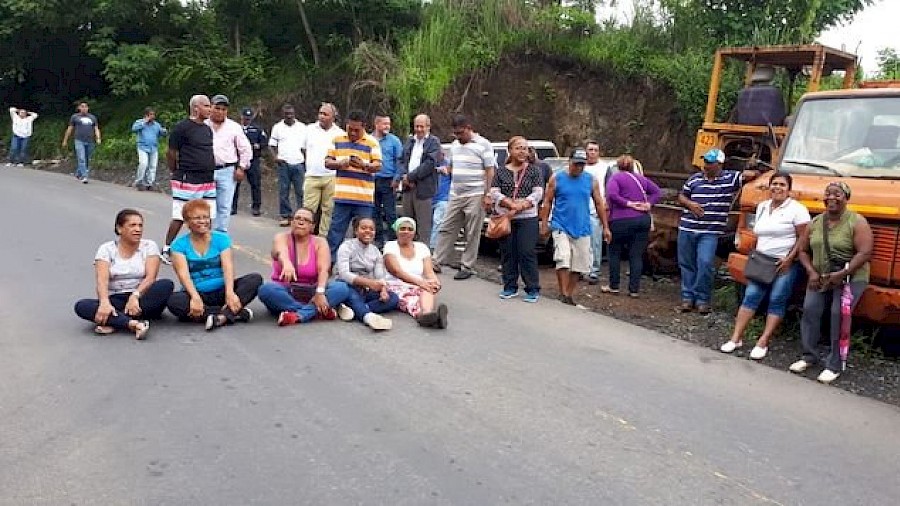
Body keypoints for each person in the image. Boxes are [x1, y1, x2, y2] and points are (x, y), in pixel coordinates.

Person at [720, 173, 810, 359]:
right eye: (774, 184)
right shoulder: (762, 207)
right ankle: (736, 338)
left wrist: (789, 259)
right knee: (751, 296)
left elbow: (804, 237)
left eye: (782, 184)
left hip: (784, 263)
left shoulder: (797, 210)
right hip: (762, 261)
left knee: (777, 299)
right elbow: (758, 233)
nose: (777, 187)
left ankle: (763, 340)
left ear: (789, 189)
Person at [790, 182, 872, 384]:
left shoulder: (857, 221)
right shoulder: (815, 222)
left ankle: (834, 363)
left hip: (850, 277)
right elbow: (802, 250)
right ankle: (809, 356)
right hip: (820, 275)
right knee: (810, 309)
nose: (831, 197)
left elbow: (865, 252)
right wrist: (811, 272)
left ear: (846, 198)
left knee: (838, 314)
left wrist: (842, 273)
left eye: (837, 194)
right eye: (828, 194)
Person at [677, 148, 760, 314]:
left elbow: (753, 174)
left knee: (705, 263)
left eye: (709, 162)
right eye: (705, 161)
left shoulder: (730, 178)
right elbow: (681, 196)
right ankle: (687, 298)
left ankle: (702, 299)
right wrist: (690, 204)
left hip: (709, 231)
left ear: (719, 164)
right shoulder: (695, 179)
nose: (705, 165)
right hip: (687, 227)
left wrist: (750, 167)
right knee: (687, 264)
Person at [74, 209, 174, 340]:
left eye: (140, 225)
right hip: (117, 298)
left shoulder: (149, 246)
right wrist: (104, 303)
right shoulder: (106, 249)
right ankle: (132, 324)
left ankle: (114, 321)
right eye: (132, 225)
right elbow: (101, 281)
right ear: (119, 228)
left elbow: (151, 277)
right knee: (82, 306)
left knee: (166, 285)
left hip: (143, 298)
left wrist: (135, 296)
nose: (138, 229)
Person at [166, 199, 263, 331]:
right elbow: (183, 275)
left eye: (206, 217)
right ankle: (234, 313)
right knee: (174, 302)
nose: (203, 221)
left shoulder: (221, 239)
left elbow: (228, 267)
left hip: (222, 290)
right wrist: (195, 297)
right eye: (197, 218)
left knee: (255, 279)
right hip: (197, 293)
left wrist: (230, 293)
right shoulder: (178, 245)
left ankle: (220, 316)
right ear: (187, 222)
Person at [257, 207, 352, 326]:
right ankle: (318, 311)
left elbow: (324, 270)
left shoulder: (320, 242)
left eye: (306, 220)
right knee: (266, 290)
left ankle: (297, 315)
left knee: (341, 288)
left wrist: (320, 292)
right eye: (297, 218)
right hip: (286, 292)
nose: (300, 222)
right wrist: (286, 263)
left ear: (312, 226)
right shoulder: (281, 237)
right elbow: (281, 251)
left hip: (313, 291)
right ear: (292, 222)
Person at [539, 148, 610, 306]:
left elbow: (599, 203)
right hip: (561, 224)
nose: (579, 167)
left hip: (582, 225)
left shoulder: (591, 180)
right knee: (563, 259)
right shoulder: (557, 178)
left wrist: (605, 226)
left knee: (579, 264)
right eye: (576, 164)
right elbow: (548, 201)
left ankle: (569, 294)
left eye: (582, 165)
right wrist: (544, 223)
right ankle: (563, 292)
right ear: (569, 162)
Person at [432, 114, 496, 280]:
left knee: (472, 230)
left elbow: (490, 170)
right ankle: (436, 260)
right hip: (456, 192)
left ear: (469, 128)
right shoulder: (454, 145)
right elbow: (452, 166)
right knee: (447, 226)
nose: (458, 137)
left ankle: (467, 265)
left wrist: (488, 194)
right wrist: (447, 171)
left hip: (475, 193)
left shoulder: (483, 144)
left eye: (461, 133)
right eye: (456, 134)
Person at [161, 95, 216, 265]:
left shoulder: (207, 129)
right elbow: (171, 152)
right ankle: (167, 248)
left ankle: (205, 249)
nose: (210, 109)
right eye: (206, 106)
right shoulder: (182, 128)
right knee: (180, 215)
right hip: (187, 179)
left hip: (207, 179)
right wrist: (175, 171)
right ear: (196, 108)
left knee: (207, 215)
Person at [490, 136, 544, 303]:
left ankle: (532, 288)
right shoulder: (500, 171)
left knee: (527, 252)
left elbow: (538, 193)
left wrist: (521, 206)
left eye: (525, 148)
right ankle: (509, 286)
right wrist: (507, 203)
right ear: (510, 150)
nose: (522, 151)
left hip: (528, 217)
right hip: (506, 217)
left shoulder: (534, 170)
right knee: (508, 253)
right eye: (518, 148)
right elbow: (494, 192)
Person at [325, 110, 383, 261]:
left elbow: (378, 166)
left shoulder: (372, 142)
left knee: (364, 234)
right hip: (342, 197)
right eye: (350, 128)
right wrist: (340, 163)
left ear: (364, 127)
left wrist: (364, 165)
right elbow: (327, 162)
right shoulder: (337, 139)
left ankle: (360, 266)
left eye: (356, 130)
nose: (352, 132)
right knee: (335, 232)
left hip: (363, 198)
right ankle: (328, 264)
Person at [604, 155, 661, 297]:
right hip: (642, 220)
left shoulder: (615, 178)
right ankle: (634, 289)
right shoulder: (641, 179)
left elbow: (611, 194)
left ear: (618, 167)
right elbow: (657, 192)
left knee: (614, 252)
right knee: (636, 255)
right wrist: (649, 203)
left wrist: (627, 203)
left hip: (620, 220)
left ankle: (614, 285)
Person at [383, 217, 448, 328]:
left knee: (428, 289)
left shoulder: (422, 247)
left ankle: (428, 314)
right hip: (395, 286)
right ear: (396, 231)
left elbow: (429, 272)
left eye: (410, 229)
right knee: (410, 300)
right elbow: (396, 271)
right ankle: (424, 316)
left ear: (414, 232)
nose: (406, 232)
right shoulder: (390, 246)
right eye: (402, 228)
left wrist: (435, 282)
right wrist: (420, 283)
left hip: (417, 285)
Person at [335, 217, 398, 330]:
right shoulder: (346, 246)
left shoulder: (376, 251)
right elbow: (344, 274)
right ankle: (368, 317)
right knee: (352, 295)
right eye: (363, 228)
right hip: (347, 286)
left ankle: (356, 309)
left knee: (393, 298)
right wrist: (369, 283)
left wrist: (383, 290)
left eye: (371, 229)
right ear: (356, 231)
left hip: (366, 289)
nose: (368, 231)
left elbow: (380, 276)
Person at [206, 94, 251, 233]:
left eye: (223, 109)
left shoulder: (234, 127)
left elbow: (245, 149)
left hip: (227, 170)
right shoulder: (203, 125)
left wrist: (241, 168)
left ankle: (220, 237)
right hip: (205, 171)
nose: (220, 112)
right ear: (210, 108)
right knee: (205, 205)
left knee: (224, 205)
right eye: (217, 108)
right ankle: (203, 235)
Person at [399, 114, 441, 246]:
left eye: (421, 126)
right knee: (407, 223)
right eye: (416, 126)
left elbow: (429, 164)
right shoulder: (410, 141)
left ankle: (423, 255)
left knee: (423, 226)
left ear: (428, 127)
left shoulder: (433, 142)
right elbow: (402, 160)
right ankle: (406, 251)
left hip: (423, 190)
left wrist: (411, 177)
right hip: (407, 188)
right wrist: (403, 176)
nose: (419, 129)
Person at [304, 102, 345, 237]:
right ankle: (305, 236)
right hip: (312, 175)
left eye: (325, 114)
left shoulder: (340, 134)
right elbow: (303, 149)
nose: (321, 116)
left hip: (331, 176)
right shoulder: (309, 129)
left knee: (329, 210)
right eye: (320, 113)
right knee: (308, 209)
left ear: (333, 117)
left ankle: (322, 239)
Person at [269, 104, 307, 226]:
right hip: (283, 163)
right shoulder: (277, 127)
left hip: (299, 163)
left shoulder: (302, 127)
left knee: (301, 191)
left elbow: (307, 145)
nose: (289, 116)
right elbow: (271, 145)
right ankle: (285, 216)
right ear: (283, 114)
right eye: (287, 114)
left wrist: (307, 159)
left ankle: (301, 216)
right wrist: (275, 158)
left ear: (294, 113)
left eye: (291, 113)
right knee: (283, 191)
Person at [371, 115, 403, 246]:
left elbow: (400, 161)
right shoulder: (369, 140)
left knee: (391, 213)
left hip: (388, 180)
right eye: (384, 124)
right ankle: (378, 240)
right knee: (374, 212)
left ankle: (393, 241)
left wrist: (397, 179)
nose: (387, 127)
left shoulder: (394, 141)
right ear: (376, 124)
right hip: (371, 180)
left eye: (388, 124)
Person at [583, 141, 610, 285]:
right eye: (590, 150)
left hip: (596, 210)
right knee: (580, 241)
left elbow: (610, 188)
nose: (592, 152)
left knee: (595, 242)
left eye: (595, 150)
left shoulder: (605, 168)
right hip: (580, 210)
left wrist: (607, 206)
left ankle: (594, 271)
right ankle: (581, 269)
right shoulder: (580, 167)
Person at [232, 106, 268, 216]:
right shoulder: (235, 128)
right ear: (241, 117)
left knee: (255, 184)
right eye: (245, 117)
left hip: (253, 160)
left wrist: (258, 145)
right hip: (238, 160)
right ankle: (232, 207)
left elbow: (264, 142)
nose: (246, 120)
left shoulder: (257, 129)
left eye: (249, 118)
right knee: (235, 184)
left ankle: (256, 207)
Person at [61, 102, 101, 184]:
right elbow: (70, 129)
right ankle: (84, 176)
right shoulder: (75, 117)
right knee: (81, 158)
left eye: (86, 107)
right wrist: (65, 140)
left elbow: (96, 128)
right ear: (79, 108)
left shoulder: (92, 117)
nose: (84, 108)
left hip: (90, 141)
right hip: (79, 140)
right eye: (82, 107)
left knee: (87, 158)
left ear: (88, 108)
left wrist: (98, 138)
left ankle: (79, 173)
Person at [130, 107, 168, 191]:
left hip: (153, 148)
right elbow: (134, 129)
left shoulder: (156, 124)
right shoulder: (139, 122)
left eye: (153, 114)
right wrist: (144, 122)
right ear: (146, 115)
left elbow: (161, 132)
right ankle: (139, 181)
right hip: (142, 147)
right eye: (151, 114)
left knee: (153, 166)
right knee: (143, 164)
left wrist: (164, 131)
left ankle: (149, 183)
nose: (152, 116)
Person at [431, 151, 451, 249]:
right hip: (429, 198)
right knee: (429, 223)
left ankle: (433, 246)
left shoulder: (448, 164)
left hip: (443, 198)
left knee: (437, 221)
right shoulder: (430, 163)